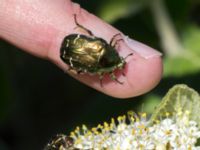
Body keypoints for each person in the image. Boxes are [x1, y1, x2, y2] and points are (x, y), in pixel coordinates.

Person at [0, 0, 162, 98]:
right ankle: (77, 30)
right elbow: (108, 72)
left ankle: (77, 27)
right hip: (72, 50)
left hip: (73, 48)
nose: (121, 62)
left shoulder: (105, 51)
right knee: (84, 66)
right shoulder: (103, 64)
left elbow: (109, 54)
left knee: (87, 52)